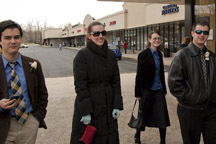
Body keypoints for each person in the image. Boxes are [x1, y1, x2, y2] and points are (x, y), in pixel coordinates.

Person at [70, 21, 123, 144]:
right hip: (91, 105)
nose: (100, 36)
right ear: (89, 36)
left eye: (103, 33)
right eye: (96, 33)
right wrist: (85, 111)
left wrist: (117, 104)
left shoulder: (110, 55)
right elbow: (80, 86)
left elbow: (116, 81)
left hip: (108, 104)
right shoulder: (82, 56)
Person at [0, 20, 48, 144]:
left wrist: (37, 119)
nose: (13, 41)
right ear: (0, 41)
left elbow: (43, 94)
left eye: (16, 37)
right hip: (2, 125)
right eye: (7, 38)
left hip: (28, 124)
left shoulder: (33, 64)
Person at [168, 20, 216, 144]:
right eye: (199, 31)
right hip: (189, 110)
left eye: (205, 32)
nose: (202, 35)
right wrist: (193, 97)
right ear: (192, 33)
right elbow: (174, 85)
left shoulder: (212, 56)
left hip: (210, 110)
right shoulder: (181, 56)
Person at [134, 30, 170, 144]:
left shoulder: (160, 54)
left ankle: (163, 141)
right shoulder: (143, 55)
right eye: (154, 38)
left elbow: (160, 73)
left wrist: (164, 88)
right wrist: (138, 94)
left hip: (158, 90)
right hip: (147, 89)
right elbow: (139, 75)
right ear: (149, 40)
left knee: (162, 116)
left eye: (158, 38)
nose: (157, 40)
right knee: (143, 114)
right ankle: (137, 135)